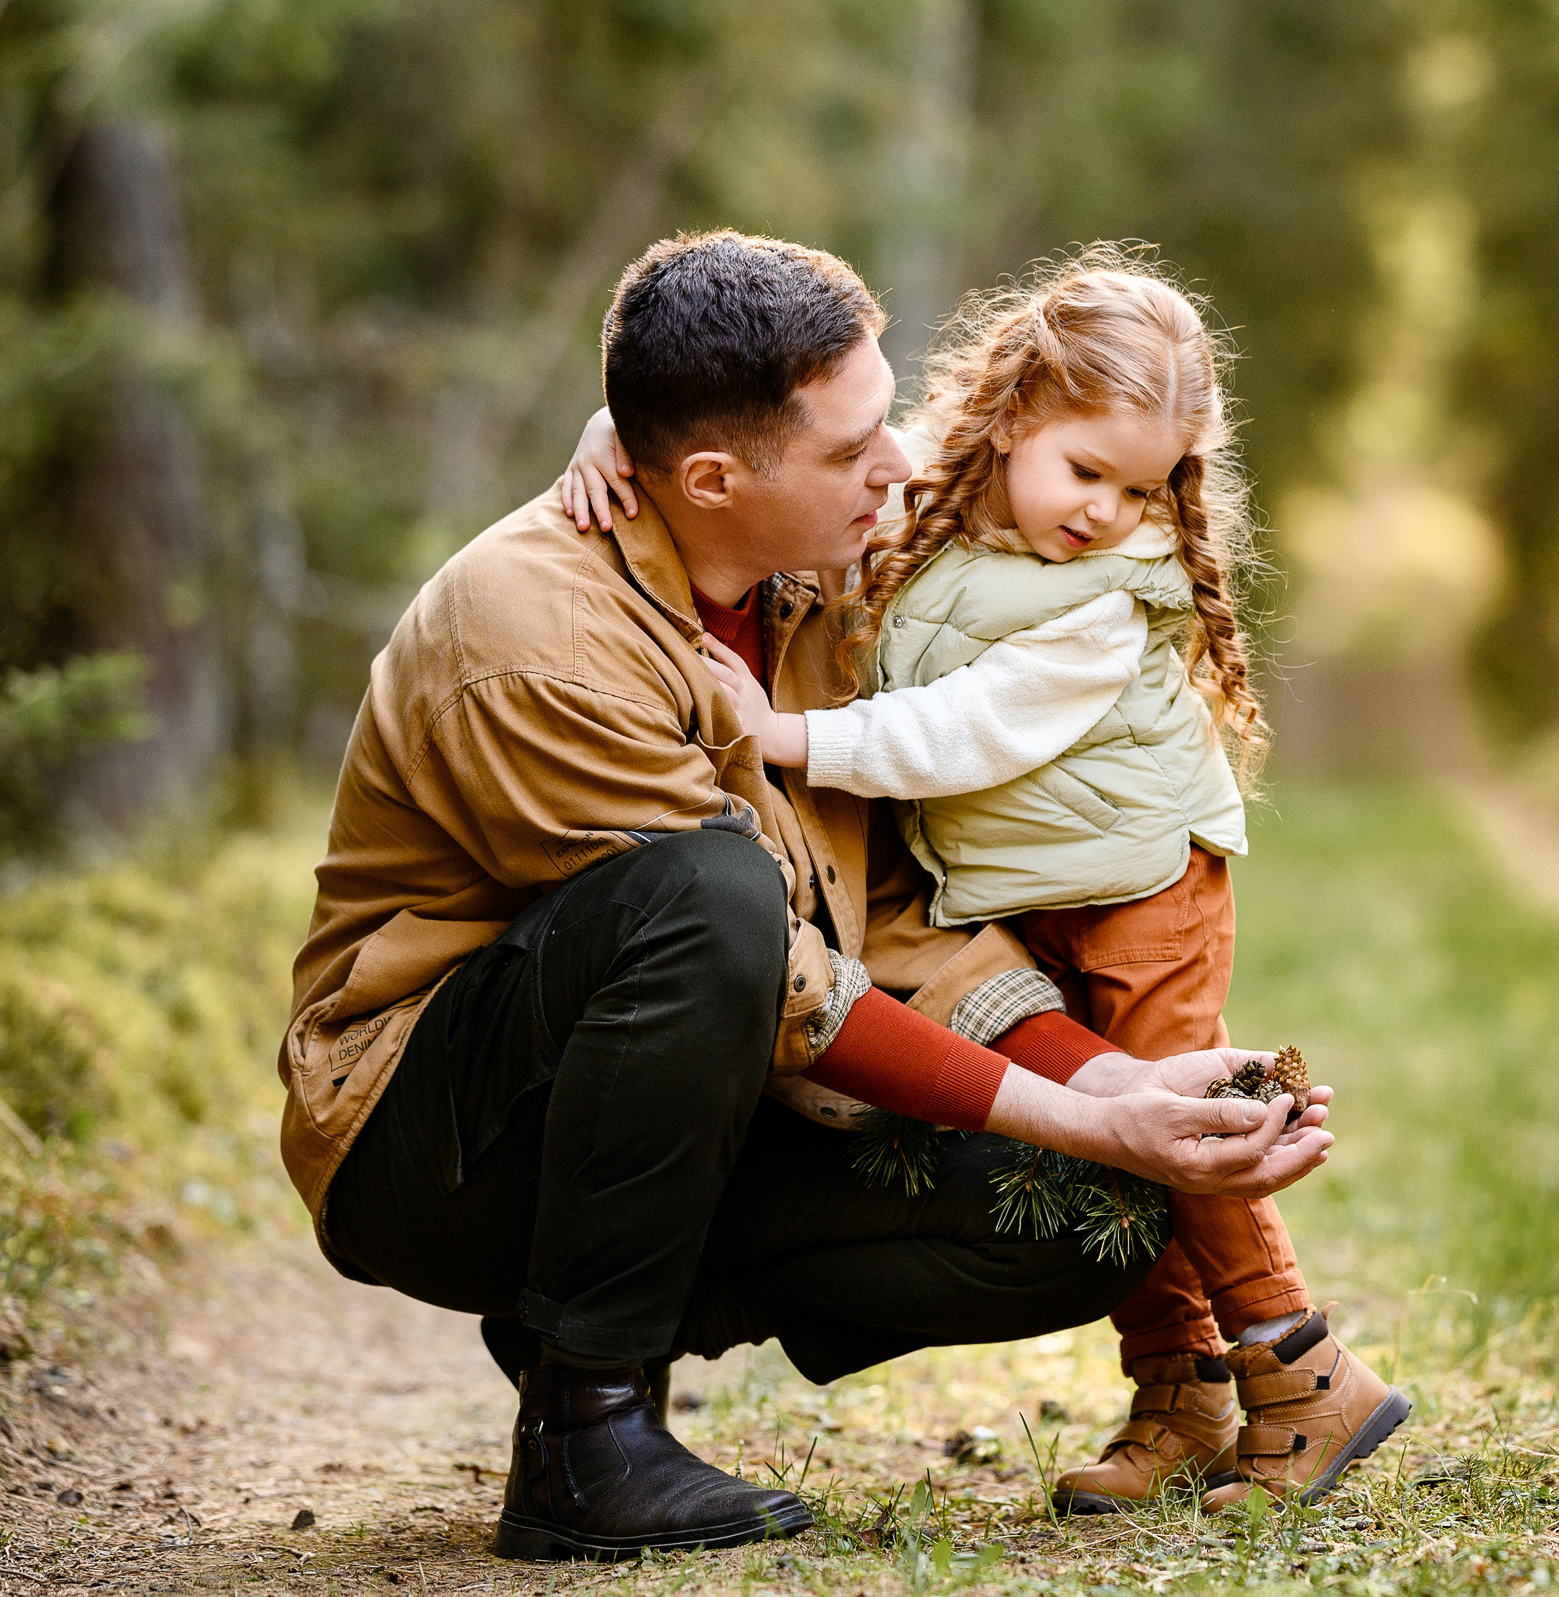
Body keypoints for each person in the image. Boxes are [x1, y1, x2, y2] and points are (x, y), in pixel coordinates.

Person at [281, 230, 1334, 1563]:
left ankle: (591, 1296)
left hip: (684, 1090)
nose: (895, 464)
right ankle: (584, 1429)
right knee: (709, 894)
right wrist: (1077, 1109)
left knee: (1094, 1213)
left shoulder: (810, 588)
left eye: (883, 419)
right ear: (712, 477)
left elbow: (884, 912)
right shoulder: (532, 638)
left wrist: (1117, 1093)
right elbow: (770, 966)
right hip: (433, 1135)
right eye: (854, 448)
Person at [561, 248, 1408, 1514]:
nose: (1109, 510)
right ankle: (1177, 1393)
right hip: (1036, 889)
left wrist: (783, 735)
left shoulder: (1108, 598)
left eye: (1147, 485)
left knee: (1184, 1134)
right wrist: (608, 434)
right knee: (1128, 1155)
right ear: (1012, 417)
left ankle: (1302, 1369)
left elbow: (962, 728)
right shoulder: (937, 500)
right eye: (1087, 470)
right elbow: (761, 443)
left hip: (1144, 891)